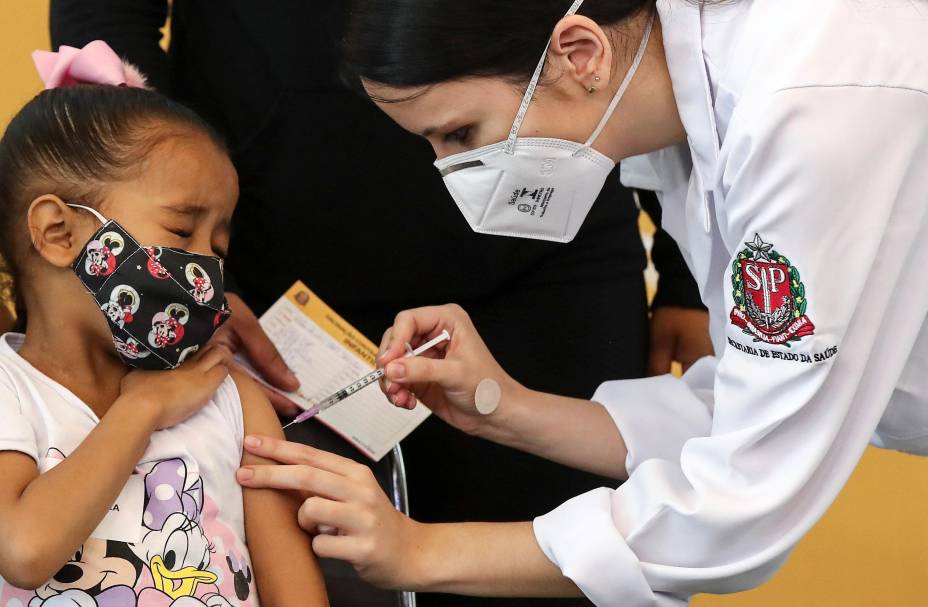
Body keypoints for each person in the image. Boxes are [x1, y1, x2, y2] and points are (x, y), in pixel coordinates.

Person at [236, 0, 928, 605]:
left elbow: (743, 502)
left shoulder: (806, 102)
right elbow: (748, 409)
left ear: (579, 52)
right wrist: (502, 406)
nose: (451, 173)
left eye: (461, 134)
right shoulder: (687, 116)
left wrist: (417, 552)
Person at [49, 5, 711, 606]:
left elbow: (724, 509)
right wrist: (180, 254)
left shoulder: (769, 132)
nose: (449, 165)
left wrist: (692, 270)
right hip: (279, 288)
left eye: (456, 134)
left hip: (549, 254)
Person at [0, 43, 328, 607]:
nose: (205, 269)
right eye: (181, 232)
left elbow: (296, 593)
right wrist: (143, 408)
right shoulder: (10, 392)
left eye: (218, 248)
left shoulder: (230, 396)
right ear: (59, 233)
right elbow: (25, 550)